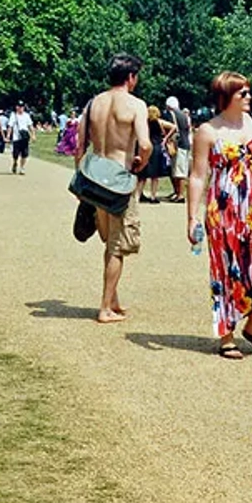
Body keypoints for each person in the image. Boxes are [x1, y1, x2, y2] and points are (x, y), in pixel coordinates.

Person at [187, 72, 252, 360]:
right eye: (243, 93)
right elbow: (197, 176)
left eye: (248, 92)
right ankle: (226, 333)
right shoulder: (208, 131)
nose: (249, 97)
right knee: (226, 272)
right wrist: (191, 217)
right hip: (224, 210)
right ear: (226, 97)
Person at [74, 53, 150, 324]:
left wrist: (81, 178)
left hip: (94, 177)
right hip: (118, 179)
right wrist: (142, 163)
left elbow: (79, 145)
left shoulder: (93, 103)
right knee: (117, 246)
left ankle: (113, 299)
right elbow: (145, 144)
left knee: (109, 241)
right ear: (131, 77)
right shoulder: (135, 104)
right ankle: (105, 307)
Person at [135, 106, 177, 204]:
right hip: (157, 147)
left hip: (147, 147)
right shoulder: (160, 122)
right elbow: (174, 127)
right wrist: (166, 138)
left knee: (143, 175)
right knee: (155, 175)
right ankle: (153, 197)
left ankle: (137, 196)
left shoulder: (144, 123)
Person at [163, 96, 192, 203]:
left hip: (178, 144)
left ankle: (180, 195)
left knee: (179, 171)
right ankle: (178, 193)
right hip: (186, 143)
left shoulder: (172, 114)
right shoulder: (184, 115)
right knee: (180, 169)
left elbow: (171, 128)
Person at [7, 102, 34, 175]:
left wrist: (33, 135)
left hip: (24, 137)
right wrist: (8, 136)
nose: (21, 108)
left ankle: (22, 168)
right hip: (16, 138)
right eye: (19, 106)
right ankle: (15, 162)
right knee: (15, 154)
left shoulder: (26, 116)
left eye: (22, 106)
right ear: (16, 107)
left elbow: (30, 126)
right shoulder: (13, 115)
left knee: (24, 154)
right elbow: (10, 126)